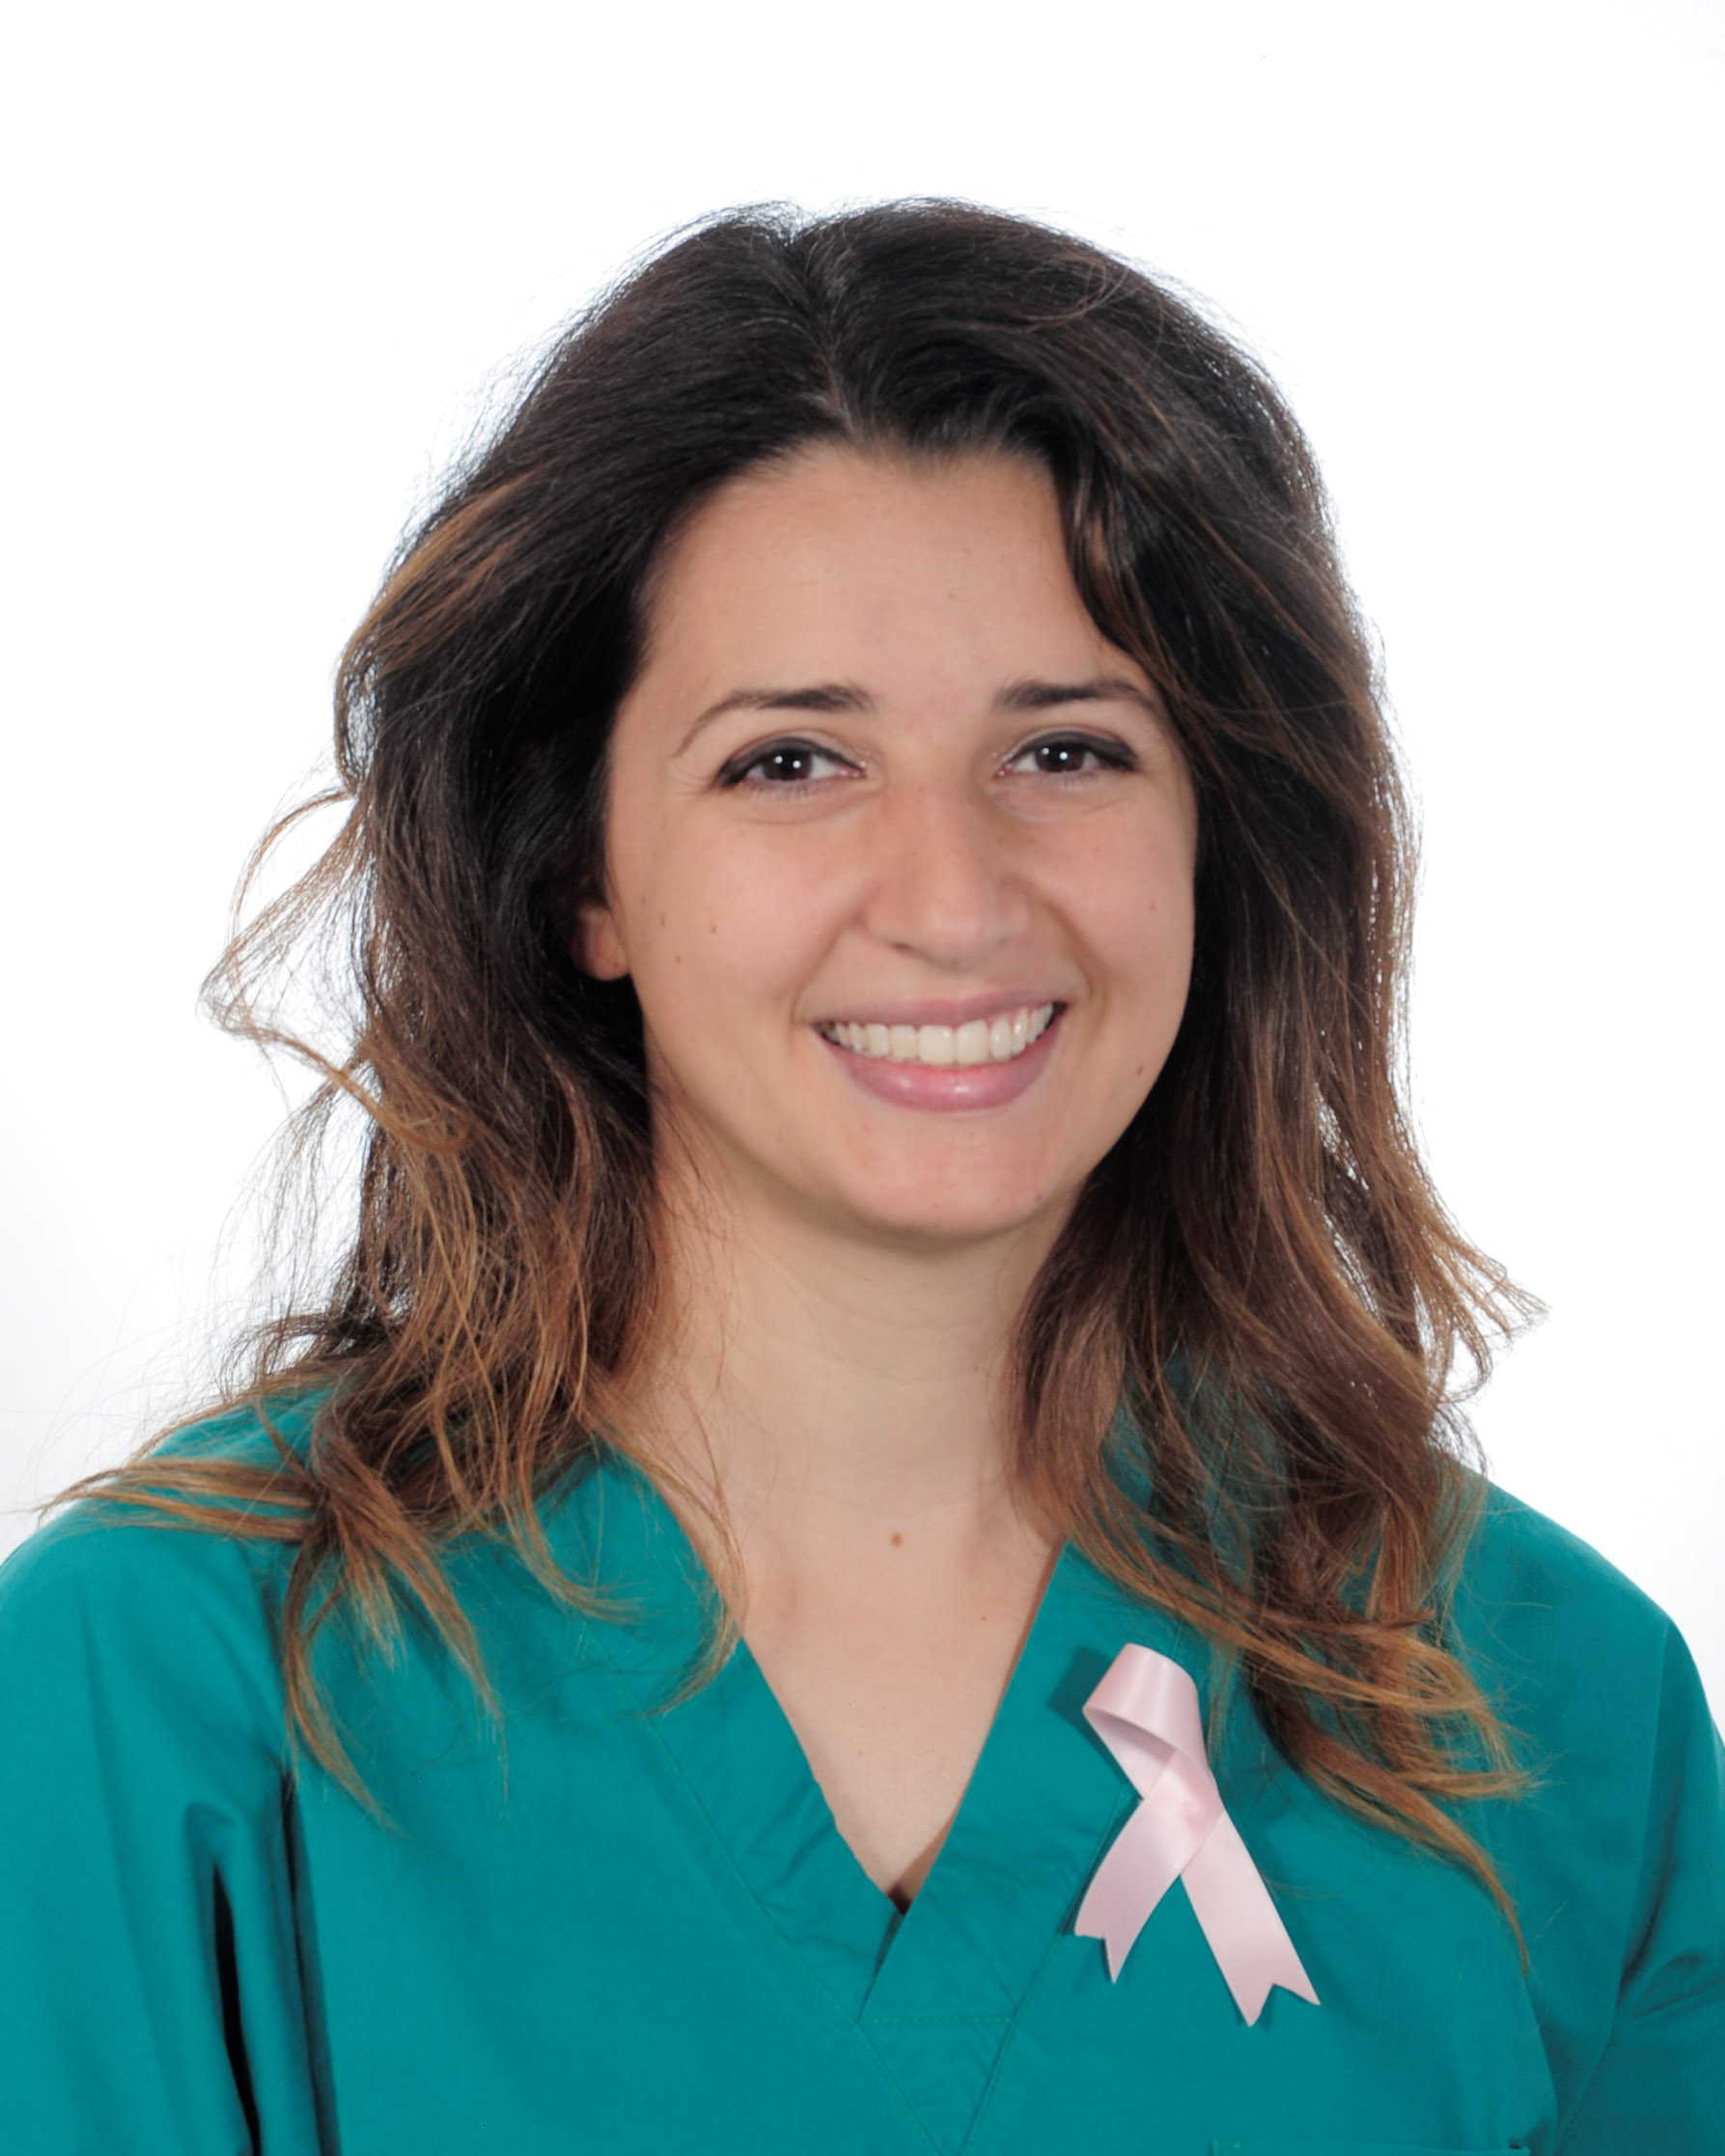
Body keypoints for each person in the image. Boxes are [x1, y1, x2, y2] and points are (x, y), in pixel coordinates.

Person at [1, 201, 1718, 2155]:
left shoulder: (1551, 1719)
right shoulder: (156, 1697)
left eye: (1066, 753)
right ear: (579, 873)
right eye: (792, 763)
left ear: (1217, 833)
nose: (953, 899)